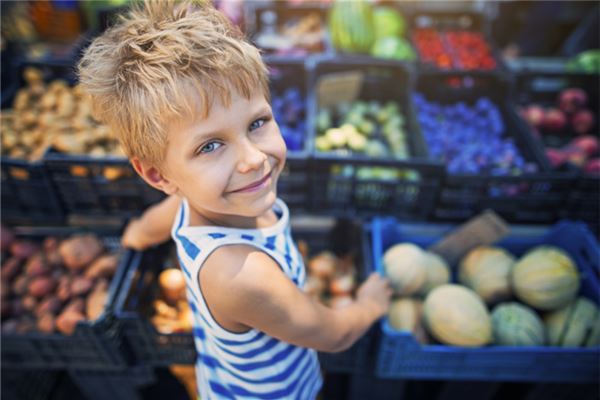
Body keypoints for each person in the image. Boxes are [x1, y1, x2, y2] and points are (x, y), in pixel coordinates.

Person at [78, 1, 392, 398]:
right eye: (210, 146)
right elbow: (332, 335)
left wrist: (135, 235)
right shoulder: (242, 275)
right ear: (159, 174)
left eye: (257, 123)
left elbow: (152, 224)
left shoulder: (192, 200)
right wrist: (368, 305)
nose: (253, 158)